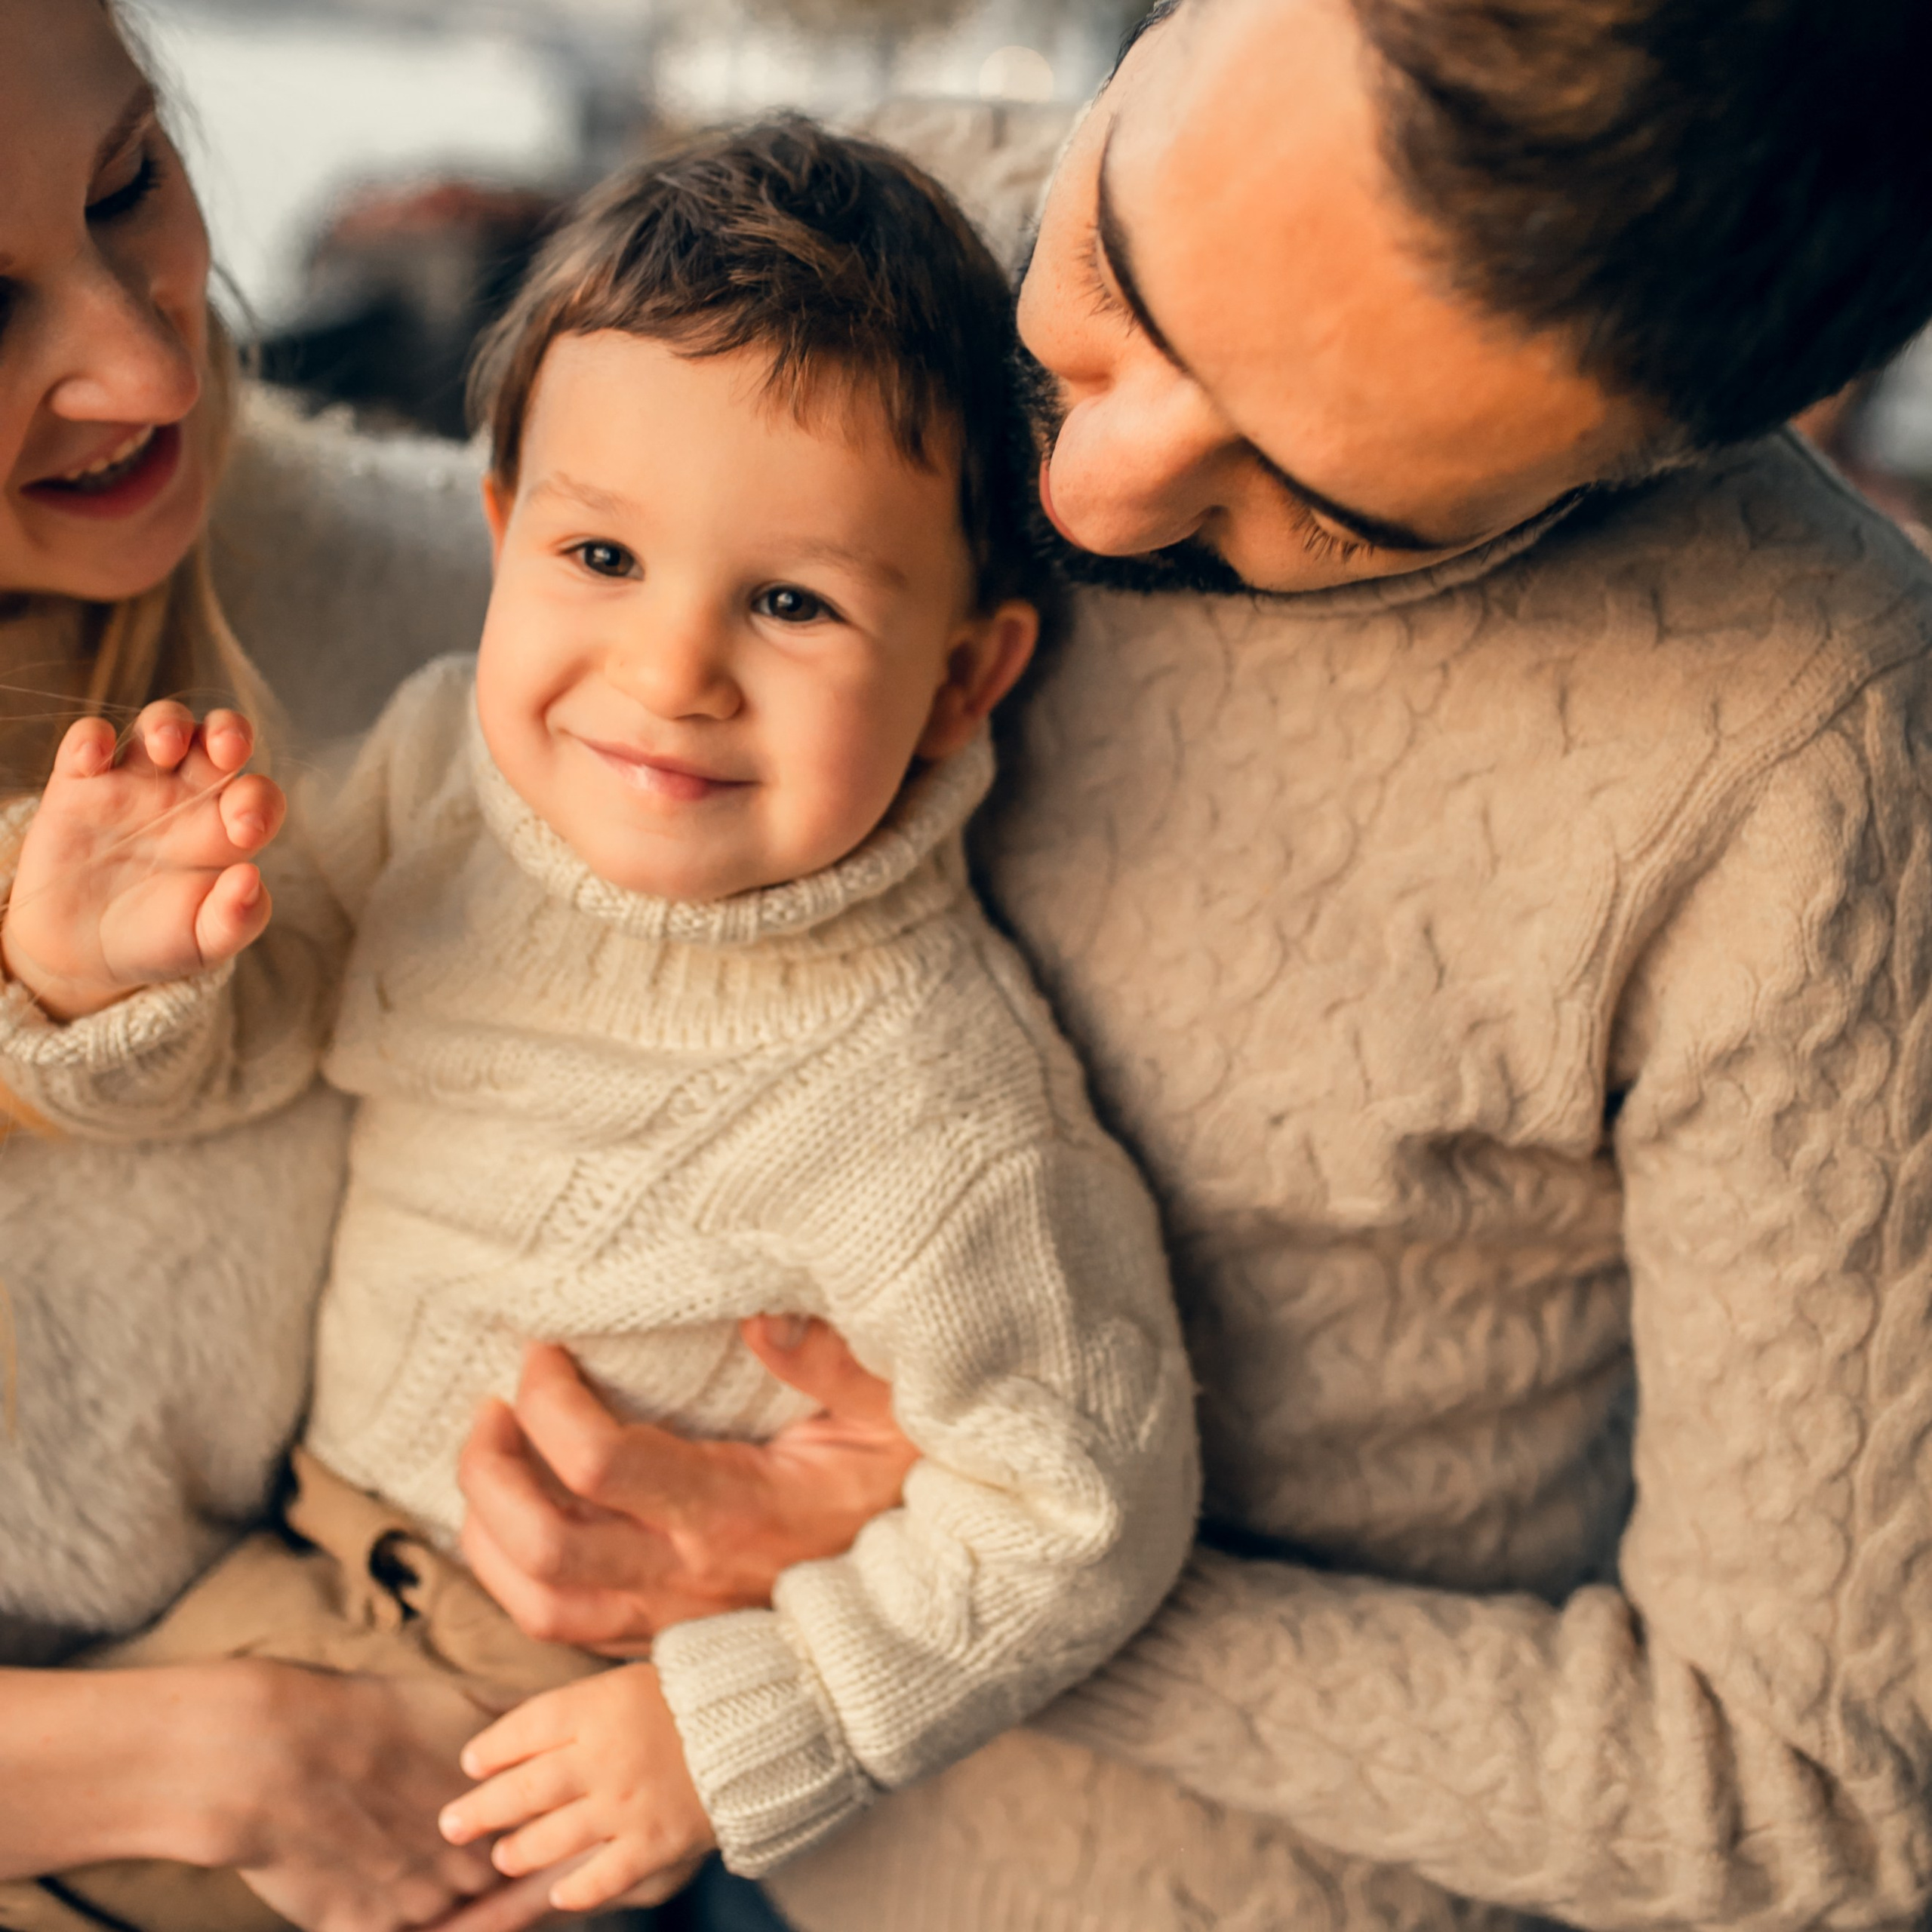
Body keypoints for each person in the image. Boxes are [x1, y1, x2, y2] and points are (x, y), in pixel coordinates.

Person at [432, 3, 1932, 1930]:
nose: (1084, 495)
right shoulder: (879, 232)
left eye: (1324, 507)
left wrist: (967, 1574)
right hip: (577, 1800)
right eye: (1113, 274)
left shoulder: (1814, 761)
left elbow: (1819, 1801)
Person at [0, 122, 1197, 1932]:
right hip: (284, 1576)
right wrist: (122, 980)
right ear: (502, 539)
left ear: (962, 676)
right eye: (602, 554)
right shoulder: (441, 766)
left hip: (531, 1720)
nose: (667, 672)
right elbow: (274, 1022)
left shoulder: (932, 1107)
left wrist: (722, 1733)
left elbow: (1078, 1507)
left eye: (788, 602)